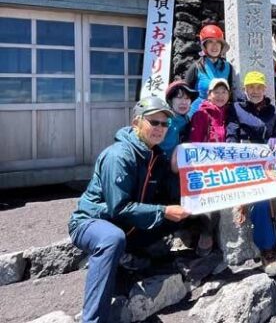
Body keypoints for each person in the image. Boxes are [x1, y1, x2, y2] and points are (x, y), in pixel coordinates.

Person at [68, 96, 191, 323]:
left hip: (129, 225)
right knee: (112, 239)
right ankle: (94, 319)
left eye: (165, 124)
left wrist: (189, 186)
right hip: (92, 222)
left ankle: (129, 259)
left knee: (181, 217)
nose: (160, 129)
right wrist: (163, 212)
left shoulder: (157, 156)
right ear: (136, 123)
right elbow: (119, 208)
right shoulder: (119, 155)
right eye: (154, 122)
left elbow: (170, 194)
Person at [226, 71, 276, 276]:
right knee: (260, 198)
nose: (255, 91)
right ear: (244, 89)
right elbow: (231, 136)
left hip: (272, 163)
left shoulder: (274, 110)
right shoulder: (236, 108)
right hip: (248, 165)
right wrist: (241, 151)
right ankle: (268, 251)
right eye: (250, 87)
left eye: (259, 87)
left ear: (265, 89)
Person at [187, 77, 232, 255]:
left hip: (226, 165)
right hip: (206, 166)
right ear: (209, 94)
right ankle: (206, 233)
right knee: (209, 197)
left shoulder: (230, 113)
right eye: (216, 92)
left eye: (224, 92)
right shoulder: (201, 114)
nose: (220, 96)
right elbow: (194, 143)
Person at [184, 24, 237, 117]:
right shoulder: (196, 67)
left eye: (218, 42)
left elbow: (230, 94)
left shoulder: (228, 67)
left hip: (221, 115)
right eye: (210, 42)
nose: (214, 46)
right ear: (204, 46)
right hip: (198, 115)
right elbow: (186, 94)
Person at [159, 80, 197, 157]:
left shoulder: (189, 120)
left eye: (187, 98)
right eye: (179, 98)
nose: (184, 102)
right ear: (170, 101)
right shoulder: (163, 122)